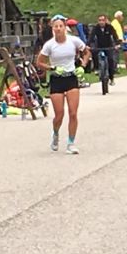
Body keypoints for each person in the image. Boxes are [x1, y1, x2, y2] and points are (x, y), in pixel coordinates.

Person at [35, 15, 90, 154]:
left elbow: (87, 52)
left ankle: (71, 143)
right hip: (56, 79)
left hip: (71, 77)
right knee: (59, 114)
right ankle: (55, 133)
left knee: (73, 113)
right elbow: (39, 62)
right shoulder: (50, 45)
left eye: (61, 26)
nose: (58, 29)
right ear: (53, 29)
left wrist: (82, 65)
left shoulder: (74, 41)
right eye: (56, 27)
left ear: (65, 28)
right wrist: (51, 68)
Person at [89, 14, 120, 88]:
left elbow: (115, 36)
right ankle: (97, 69)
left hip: (108, 47)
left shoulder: (109, 27)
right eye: (99, 20)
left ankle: (111, 77)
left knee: (110, 60)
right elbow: (91, 37)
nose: (101, 22)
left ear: (105, 21)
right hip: (99, 47)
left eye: (103, 20)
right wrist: (88, 44)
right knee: (94, 54)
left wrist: (117, 44)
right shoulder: (96, 28)